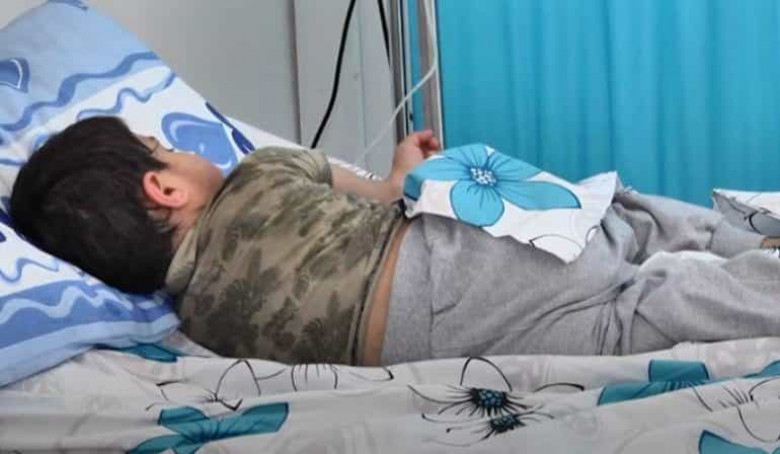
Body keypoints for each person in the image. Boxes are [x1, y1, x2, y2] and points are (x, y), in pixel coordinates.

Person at [10, 116, 780, 367]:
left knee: (631, 321)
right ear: (165, 189)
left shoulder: (201, 326)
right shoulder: (258, 173)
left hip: (429, 342)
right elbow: (385, 198)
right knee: (623, 221)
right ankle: (732, 230)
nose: (184, 149)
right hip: (456, 256)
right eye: (166, 146)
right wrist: (404, 170)